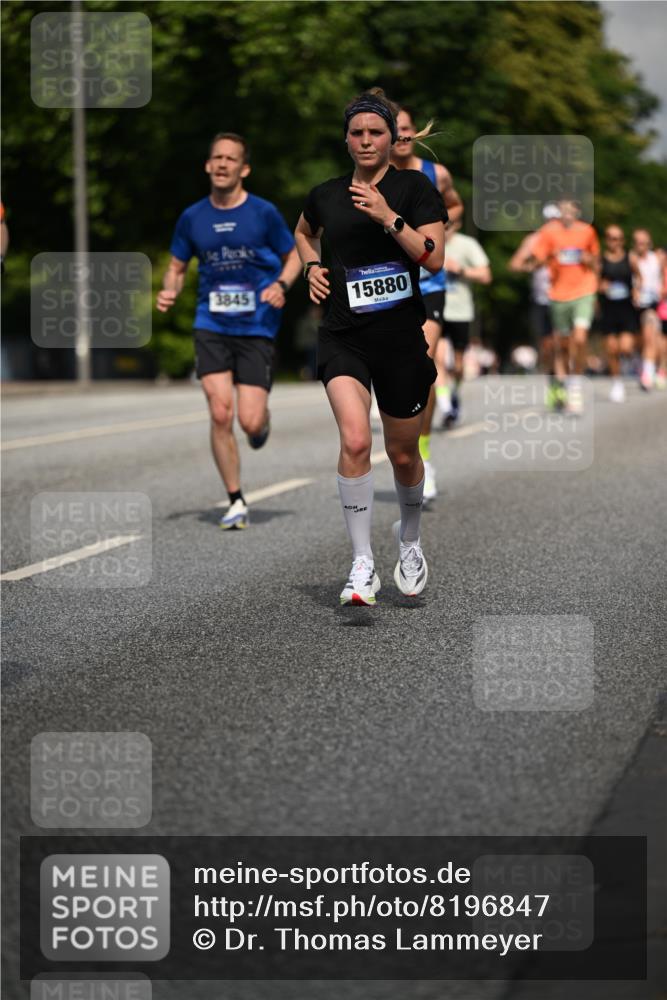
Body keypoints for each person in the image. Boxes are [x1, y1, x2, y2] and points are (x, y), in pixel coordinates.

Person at [294, 88, 447, 605]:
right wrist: (313, 267)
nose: (365, 140)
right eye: (356, 133)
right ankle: (362, 564)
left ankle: (409, 540)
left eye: (374, 132)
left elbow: (432, 259)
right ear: (346, 139)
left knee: (403, 455)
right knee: (356, 441)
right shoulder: (325, 194)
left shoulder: (414, 190)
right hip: (343, 337)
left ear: (390, 138)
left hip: (401, 339)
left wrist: (387, 216)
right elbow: (304, 233)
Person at [156, 132, 300, 529]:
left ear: (244, 169)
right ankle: (235, 499)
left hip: (257, 325)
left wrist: (282, 285)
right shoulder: (193, 217)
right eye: (216, 157)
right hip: (211, 323)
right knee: (220, 412)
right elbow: (177, 266)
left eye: (230, 159)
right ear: (207, 165)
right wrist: (170, 291)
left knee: (249, 422)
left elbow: (295, 257)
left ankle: (262, 423)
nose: (222, 164)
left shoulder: (264, 213)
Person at [390, 108, 462, 500]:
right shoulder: (376, 174)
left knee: (424, 361)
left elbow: (455, 206)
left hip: (429, 281)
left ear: (415, 134)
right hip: (389, 281)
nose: (401, 136)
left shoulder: (437, 174)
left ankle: (423, 454)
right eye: (394, 130)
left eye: (405, 129)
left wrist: (438, 225)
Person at [528, 199, 600, 414]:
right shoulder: (549, 233)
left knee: (580, 338)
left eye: (571, 211)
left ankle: (575, 385)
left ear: (577, 212)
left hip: (584, 291)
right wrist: (549, 257)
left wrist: (589, 260)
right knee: (564, 344)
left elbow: (596, 262)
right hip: (558, 294)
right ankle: (565, 382)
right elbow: (536, 261)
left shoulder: (587, 231)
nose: (567, 215)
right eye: (563, 211)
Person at [435, 218, 491, 426]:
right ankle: (446, 407)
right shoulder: (427, 240)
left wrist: (461, 270)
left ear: (456, 225)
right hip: (435, 310)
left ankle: (453, 393)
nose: (443, 230)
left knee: (458, 366)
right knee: (437, 361)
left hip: (461, 312)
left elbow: (486, 275)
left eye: (447, 226)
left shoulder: (467, 245)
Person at [509, 203, 560, 408]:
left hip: (564, 298)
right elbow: (514, 264)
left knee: (561, 343)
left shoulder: (567, 239)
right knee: (547, 347)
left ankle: (565, 384)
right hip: (541, 299)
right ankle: (554, 382)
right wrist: (534, 264)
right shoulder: (533, 240)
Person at [598, 225, 640, 403]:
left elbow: (639, 277)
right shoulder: (601, 260)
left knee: (625, 347)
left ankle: (633, 361)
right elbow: (595, 282)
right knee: (612, 349)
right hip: (608, 309)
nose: (614, 242)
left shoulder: (630, 258)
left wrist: (637, 290)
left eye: (618, 238)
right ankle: (617, 383)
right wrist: (601, 287)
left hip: (626, 308)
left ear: (622, 240)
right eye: (611, 238)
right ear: (606, 240)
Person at [630, 229, 663, 391]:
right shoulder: (630, 259)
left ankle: (647, 376)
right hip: (632, 306)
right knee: (636, 342)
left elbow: (664, 276)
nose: (640, 245)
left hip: (651, 304)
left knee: (651, 337)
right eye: (637, 242)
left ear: (649, 243)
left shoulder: (657, 258)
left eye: (643, 242)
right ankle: (642, 365)